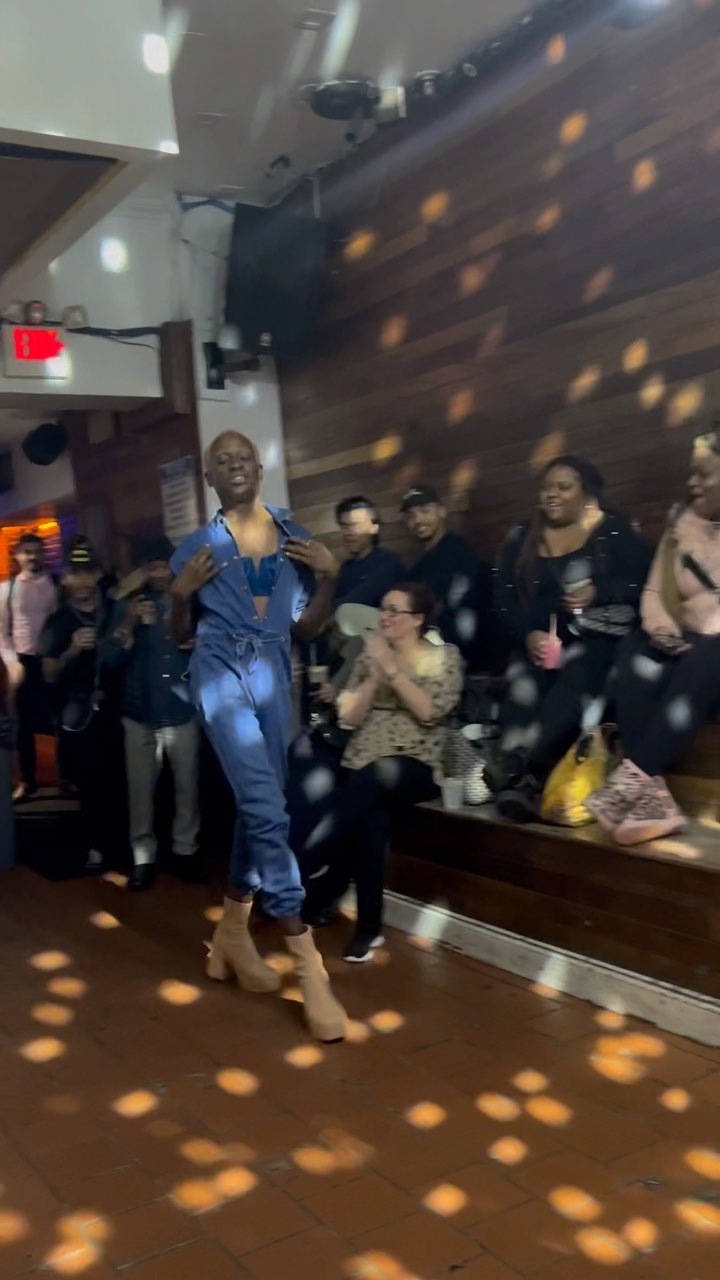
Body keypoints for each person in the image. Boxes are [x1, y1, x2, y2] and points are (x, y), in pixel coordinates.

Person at [169, 430, 347, 1043]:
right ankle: (308, 963)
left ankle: (231, 935)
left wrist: (330, 577)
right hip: (219, 671)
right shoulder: (197, 548)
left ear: (260, 466)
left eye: (242, 456)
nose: (234, 465)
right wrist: (179, 597)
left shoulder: (296, 538)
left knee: (260, 807)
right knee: (267, 808)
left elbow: (306, 630)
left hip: (274, 677)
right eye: (222, 461)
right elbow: (178, 635)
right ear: (210, 478)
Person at [297, 583, 464, 962]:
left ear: (417, 619)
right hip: (364, 760)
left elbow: (430, 711)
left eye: (394, 610)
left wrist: (391, 670)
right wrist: (373, 677)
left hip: (416, 761)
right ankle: (368, 930)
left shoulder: (443, 657)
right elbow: (348, 717)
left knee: (375, 779)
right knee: (372, 820)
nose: (384, 617)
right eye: (382, 609)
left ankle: (307, 866)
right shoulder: (368, 655)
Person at [492, 455, 650, 822]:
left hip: (595, 639)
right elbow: (500, 601)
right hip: (539, 643)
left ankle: (518, 765)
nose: (551, 494)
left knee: (579, 673)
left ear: (587, 492)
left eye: (563, 487)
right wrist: (526, 634)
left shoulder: (611, 530)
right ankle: (525, 780)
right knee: (523, 676)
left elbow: (642, 583)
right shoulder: (522, 536)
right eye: (546, 487)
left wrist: (600, 591)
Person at [588, 430, 720, 844]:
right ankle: (654, 801)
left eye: (704, 474)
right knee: (635, 651)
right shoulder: (680, 524)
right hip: (686, 640)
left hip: (714, 648)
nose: (692, 483)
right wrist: (663, 630)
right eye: (690, 474)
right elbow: (653, 591)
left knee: (709, 656)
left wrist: (703, 638)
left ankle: (632, 778)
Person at [102, 535, 203, 892]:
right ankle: (143, 859)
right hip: (138, 713)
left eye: (164, 566)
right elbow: (108, 659)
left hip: (181, 708)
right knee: (140, 793)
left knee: (188, 790)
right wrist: (129, 623)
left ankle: (186, 851)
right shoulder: (127, 603)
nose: (159, 573)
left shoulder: (190, 598)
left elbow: (209, 646)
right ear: (143, 570)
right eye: (153, 567)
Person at [39, 545, 110, 871]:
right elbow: (48, 673)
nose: (82, 580)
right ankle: (95, 846)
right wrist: (71, 649)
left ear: (97, 575)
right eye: (74, 574)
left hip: (120, 704)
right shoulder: (57, 622)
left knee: (121, 777)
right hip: (80, 710)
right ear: (65, 579)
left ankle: (124, 844)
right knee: (90, 781)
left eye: (87, 573)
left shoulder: (114, 609)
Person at [401, 484, 493, 666]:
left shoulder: (459, 552)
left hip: (462, 657)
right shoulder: (416, 570)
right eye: (410, 516)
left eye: (424, 511)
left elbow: (458, 610)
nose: (417, 520)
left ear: (442, 512)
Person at [0, 532, 57, 801]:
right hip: (22, 661)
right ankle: (27, 779)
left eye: (37, 551)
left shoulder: (57, 585)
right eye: (27, 552)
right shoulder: (6, 589)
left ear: (44, 554)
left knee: (58, 719)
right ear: (17, 555)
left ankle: (67, 777)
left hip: (53, 659)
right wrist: (12, 663)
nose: (33, 556)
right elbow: (2, 633)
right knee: (23, 724)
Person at [333, 497, 405, 608]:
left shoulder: (388, 563)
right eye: (344, 526)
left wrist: (331, 570)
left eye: (355, 525)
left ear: (374, 528)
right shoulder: (345, 568)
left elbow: (351, 605)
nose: (348, 532)